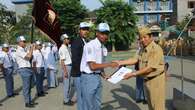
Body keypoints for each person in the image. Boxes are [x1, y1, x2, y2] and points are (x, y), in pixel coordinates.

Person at [115, 26, 166, 110]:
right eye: (141, 38)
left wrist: (133, 74)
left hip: (156, 81)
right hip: (147, 80)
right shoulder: (142, 49)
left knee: (157, 107)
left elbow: (150, 68)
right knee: (151, 106)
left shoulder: (155, 49)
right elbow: (135, 59)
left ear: (151, 37)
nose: (142, 40)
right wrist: (120, 62)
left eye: (145, 37)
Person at [80, 23, 118, 110]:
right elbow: (92, 66)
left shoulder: (103, 48)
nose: (105, 36)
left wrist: (104, 76)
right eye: (102, 33)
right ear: (97, 33)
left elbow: (100, 66)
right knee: (88, 105)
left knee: (97, 104)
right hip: (88, 78)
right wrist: (109, 64)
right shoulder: (90, 46)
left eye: (106, 33)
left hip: (97, 77)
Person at [70, 21, 90, 110]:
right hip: (79, 73)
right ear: (79, 30)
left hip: (83, 72)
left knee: (84, 94)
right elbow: (75, 59)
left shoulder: (85, 41)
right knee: (81, 95)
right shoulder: (76, 41)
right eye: (83, 29)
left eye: (87, 29)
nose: (86, 31)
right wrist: (83, 71)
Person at [15, 36, 36, 108]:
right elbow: (28, 57)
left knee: (31, 84)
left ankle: (28, 100)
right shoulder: (19, 50)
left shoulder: (24, 49)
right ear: (19, 42)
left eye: (25, 41)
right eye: (23, 41)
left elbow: (31, 56)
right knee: (26, 86)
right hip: (24, 69)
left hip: (28, 68)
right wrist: (31, 49)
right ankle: (27, 102)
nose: (25, 42)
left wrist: (30, 49)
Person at [59, 33, 74, 105]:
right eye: (67, 39)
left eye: (68, 38)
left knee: (69, 84)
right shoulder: (62, 48)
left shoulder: (67, 47)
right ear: (63, 40)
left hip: (70, 66)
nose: (68, 40)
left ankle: (67, 98)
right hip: (66, 67)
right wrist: (65, 71)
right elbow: (62, 61)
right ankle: (65, 100)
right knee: (66, 84)